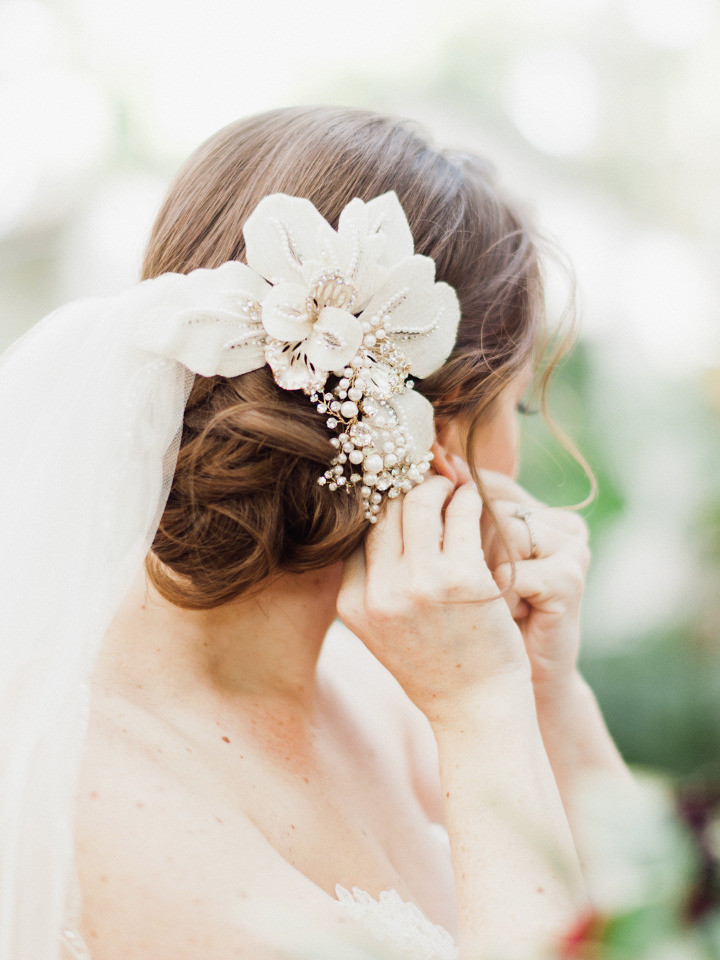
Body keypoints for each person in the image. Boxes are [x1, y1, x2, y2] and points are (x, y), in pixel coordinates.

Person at [0, 106, 629, 960]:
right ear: (432, 439)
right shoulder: (93, 791)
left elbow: (664, 928)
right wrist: (482, 708)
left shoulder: (377, 692)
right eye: (514, 407)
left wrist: (550, 698)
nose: (521, 447)